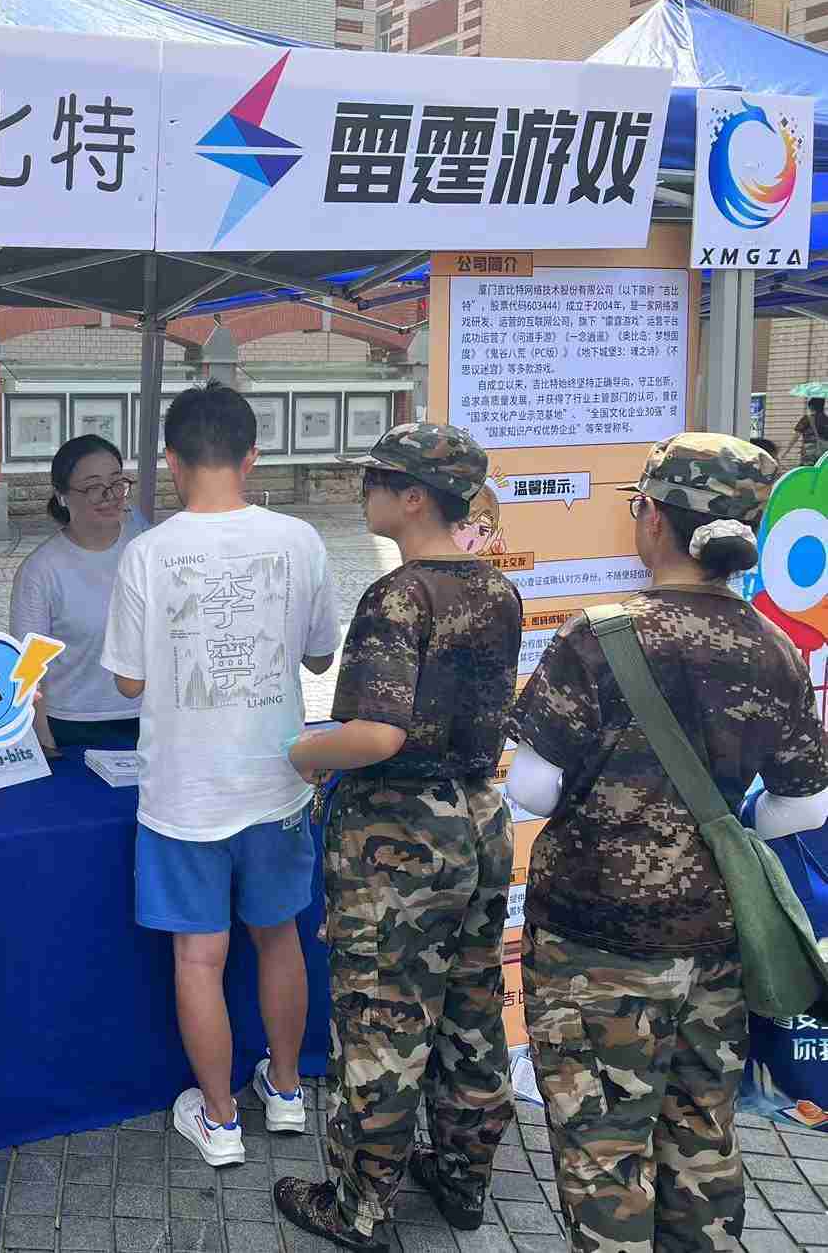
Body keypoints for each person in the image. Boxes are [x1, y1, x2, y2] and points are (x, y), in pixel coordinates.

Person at [506, 434, 828, 1253]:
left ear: (651, 515)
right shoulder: (773, 646)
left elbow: (532, 790)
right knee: (702, 1133)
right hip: (715, 938)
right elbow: (803, 804)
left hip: (593, 941)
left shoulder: (599, 635)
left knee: (604, 1147)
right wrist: (727, 828)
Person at [274, 424, 520, 1252]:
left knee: (383, 1017)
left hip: (401, 837)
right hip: (479, 818)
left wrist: (305, 753)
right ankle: (461, 1179)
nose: (364, 491)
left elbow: (378, 734)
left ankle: (359, 1207)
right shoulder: (496, 589)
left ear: (414, 497)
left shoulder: (399, 596)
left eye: (376, 479)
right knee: (471, 1008)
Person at [102, 384, 339, 1165]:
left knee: (198, 959)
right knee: (279, 939)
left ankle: (220, 1119)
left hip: (184, 794)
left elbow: (128, 682)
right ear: (251, 457)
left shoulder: (148, 551)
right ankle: (289, 1091)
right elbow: (319, 656)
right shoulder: (300, 539)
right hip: (277, 785)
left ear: (171, 460)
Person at [10, 434, 145, 755]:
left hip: (150, 719)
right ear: (62, 496)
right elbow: (28, 668)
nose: (109, 496)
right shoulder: (41, 570)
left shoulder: (145, 545)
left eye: (117, 482)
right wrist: (43, 739)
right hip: (73, 728)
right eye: (93, 487)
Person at [781, 396, 828, 468]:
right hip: (824, 453)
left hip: (810, 451)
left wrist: (786, 451)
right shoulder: (826, 419)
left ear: (811, 406)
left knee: (807, 471)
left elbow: (796, 436)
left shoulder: (807, 418)